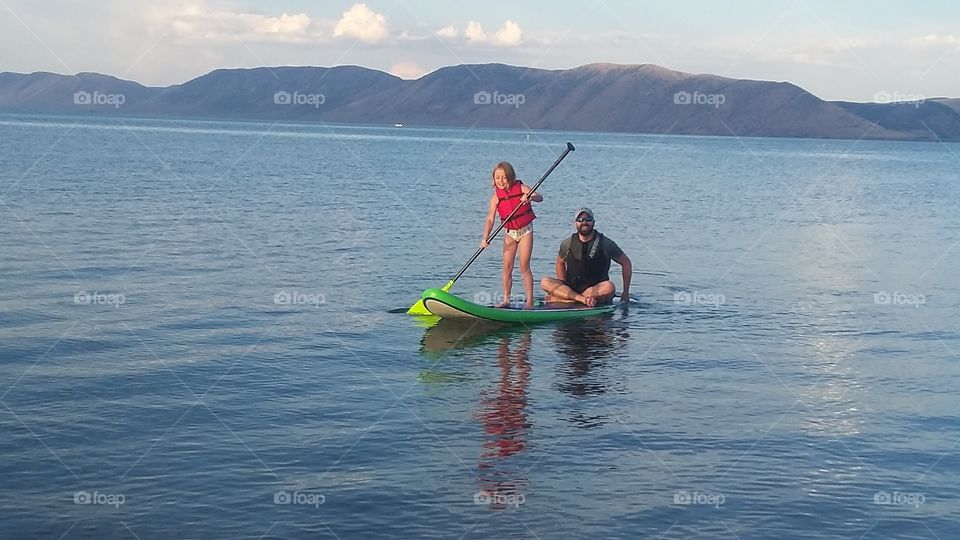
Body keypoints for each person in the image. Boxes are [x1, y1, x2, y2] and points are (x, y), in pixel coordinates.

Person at [481, 161, 542, 309]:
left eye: (504, 177)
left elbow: (539, 197)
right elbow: (490, 218)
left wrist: (530, 197)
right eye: (497, 178)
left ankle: (529, 302)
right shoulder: (495, 198)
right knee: (507, 267)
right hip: (510, 233)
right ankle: (506, 299)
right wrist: (485, 237)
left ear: (511, 177)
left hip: (525, 231)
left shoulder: (522, 188)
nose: (501, 181)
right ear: (493, 179)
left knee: (524, 266)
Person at [541, 208, 632, 307]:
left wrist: (625, 292)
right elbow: (560, 262)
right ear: (575, 223)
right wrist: (562, 285)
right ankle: (579, 299)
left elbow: (626, 263)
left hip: (595, 289)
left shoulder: (606, 243)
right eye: (580, 220)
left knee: (609, 287)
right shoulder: (567, 243)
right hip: (572, 287)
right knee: (545, 282)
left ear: (593, 222)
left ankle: (566, 299)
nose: (584, 222)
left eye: (588, 219)